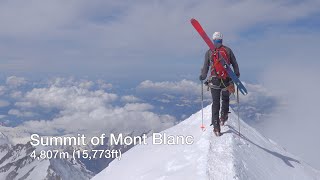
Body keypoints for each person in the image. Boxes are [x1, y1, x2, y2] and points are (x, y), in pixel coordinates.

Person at [199, 32, 240, 136]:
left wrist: (203, 77)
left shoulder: (209, 52)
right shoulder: (228, 50)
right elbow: (234, 63)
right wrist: (236, 74)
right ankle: (224, 116)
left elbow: (205, 67)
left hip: (214, 81)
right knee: (225, 99)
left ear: (213, 40)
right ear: (221, 39)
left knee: (215, 103)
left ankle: (216, 127)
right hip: (227, 80)